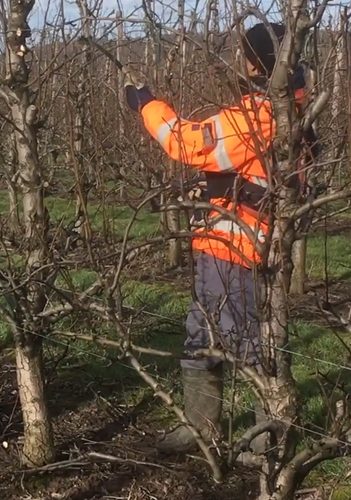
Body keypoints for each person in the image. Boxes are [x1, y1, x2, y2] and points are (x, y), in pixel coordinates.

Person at [124, 23, 315, 454]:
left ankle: (264, 445)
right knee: (205, 335)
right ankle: (204, 430)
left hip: (239, 251)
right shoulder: (293, 111)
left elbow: (186, 142)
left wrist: (146, 105)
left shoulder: (259, 117)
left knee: (248, 347)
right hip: (236, 247)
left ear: (257, 63)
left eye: (244, 54)